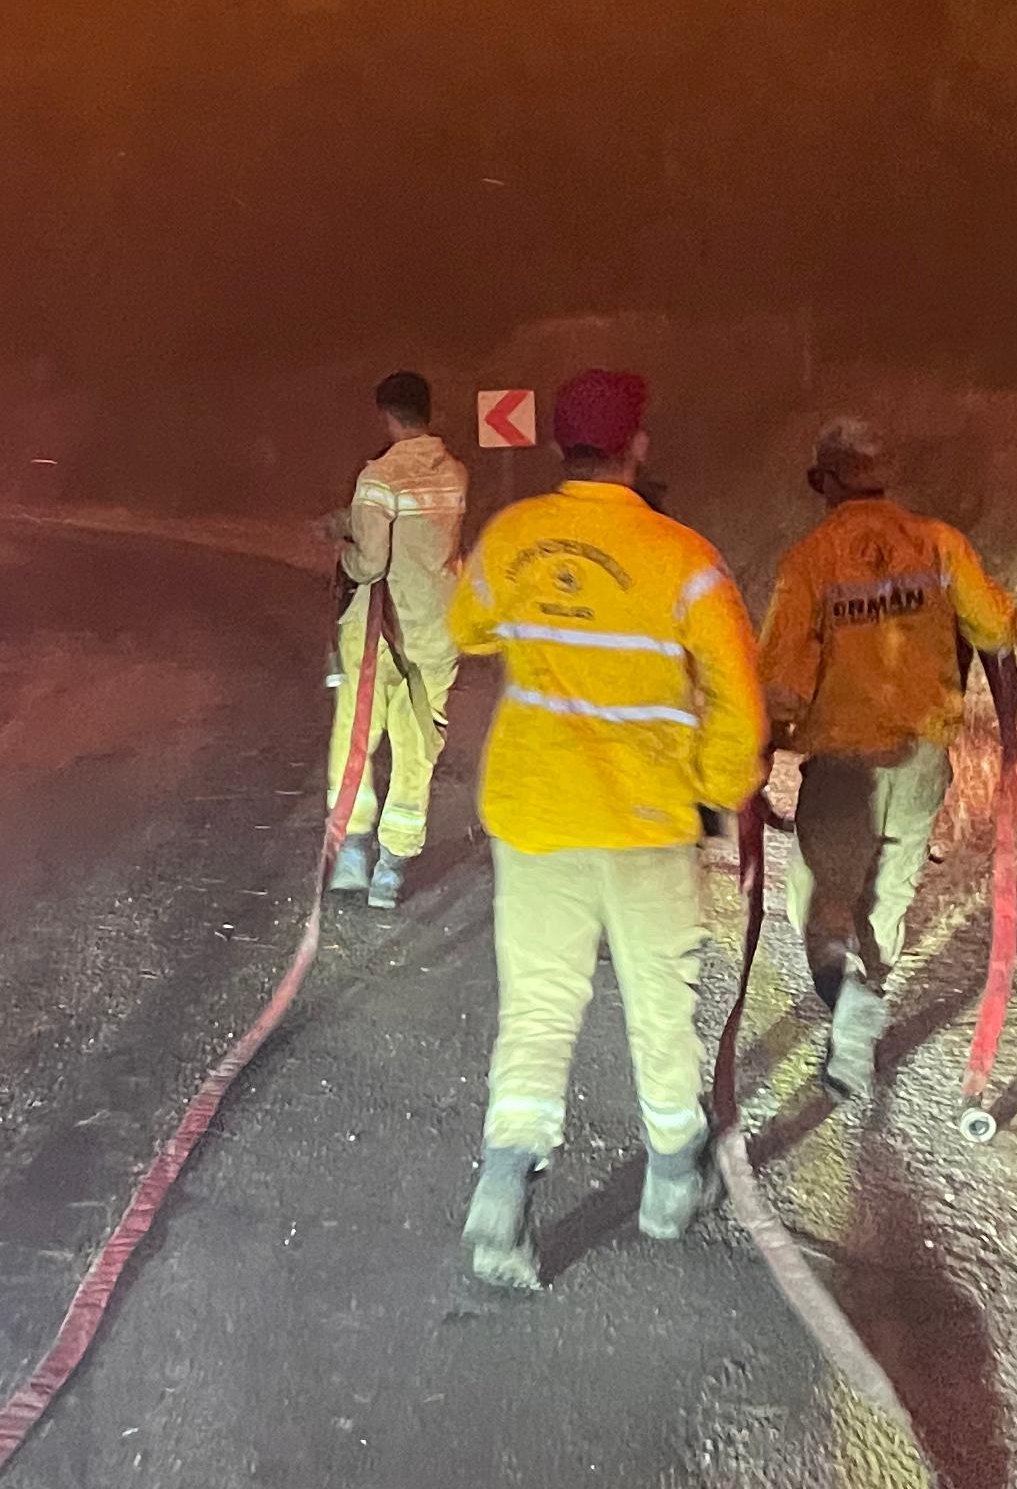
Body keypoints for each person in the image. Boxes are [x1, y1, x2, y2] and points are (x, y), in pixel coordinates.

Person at [444, 368, 767, 1289]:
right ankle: (671, 1182)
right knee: (663, 1002)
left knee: (538, 1007)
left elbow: (468, 628)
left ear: (558, 445)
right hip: (647, 826)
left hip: (537, 820)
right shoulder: (686, 560)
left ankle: (504, 1191)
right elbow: (741, 709)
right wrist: (715, 790)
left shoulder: (513, 538)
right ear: (639, 446)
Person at [758, 418, 1017, 1107]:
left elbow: (782, 681)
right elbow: (995, 627)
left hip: (844, 768)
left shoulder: (810, 560)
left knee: (823, 908)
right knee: (888, 903)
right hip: (921, 763)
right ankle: (859, 1033)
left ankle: (849, 1010)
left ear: (825, 482)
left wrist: (759, 752)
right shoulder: (939, 545)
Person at [325, 370, 467, 908]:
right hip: (433, 633)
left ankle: (354, 852)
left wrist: (342, 550)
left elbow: (371, 561)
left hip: (377, 634)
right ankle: (392, 870)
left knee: (357, 733)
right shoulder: (455, 474)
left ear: (386, 415)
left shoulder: (379, 476)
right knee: (417, 747)